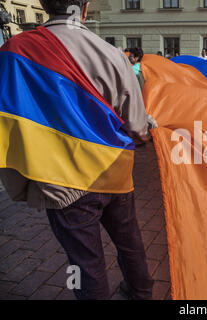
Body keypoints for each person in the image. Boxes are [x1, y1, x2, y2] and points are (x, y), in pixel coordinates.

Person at [0, 0, 155, 300]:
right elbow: (137, 128)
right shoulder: (114, 55)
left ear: (44, 4)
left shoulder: (15, 53)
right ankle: (141, 293)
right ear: (84, 8)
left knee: (85, 263)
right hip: (115, 174)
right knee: (130, 243)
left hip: (64, 181)